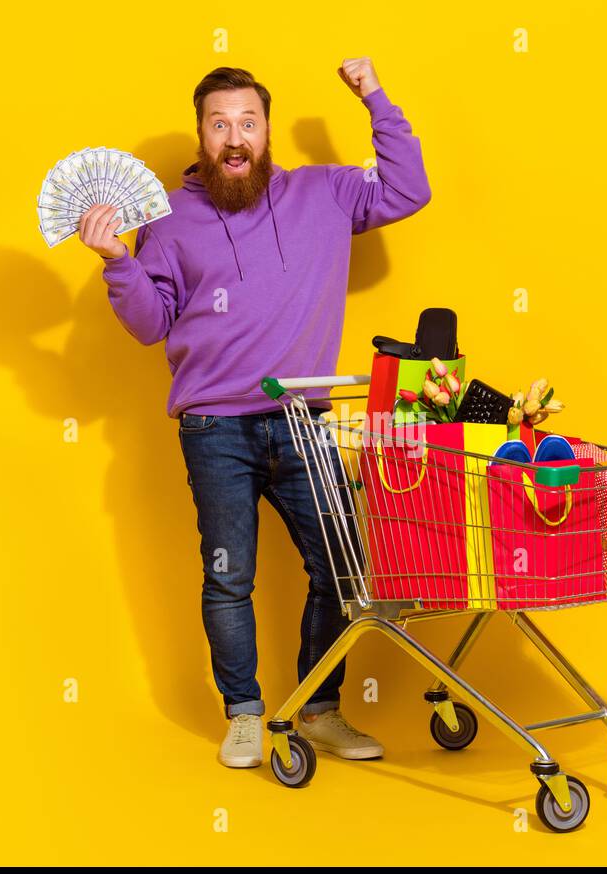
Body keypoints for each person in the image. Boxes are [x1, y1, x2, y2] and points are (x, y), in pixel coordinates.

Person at [79, 59, 431, 768]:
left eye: (247, 122)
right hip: (215, 428)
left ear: (267, 131)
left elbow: (408, 189)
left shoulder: (324, 193)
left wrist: (372, 95)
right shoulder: (169, 219)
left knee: (342, 567)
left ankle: (319, 709)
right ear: (201, 135)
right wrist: (118, 260)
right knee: (228, 575)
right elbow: (150, 324)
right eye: (219, 125)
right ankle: (244, 714)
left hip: (303, 421)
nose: (234, 138)